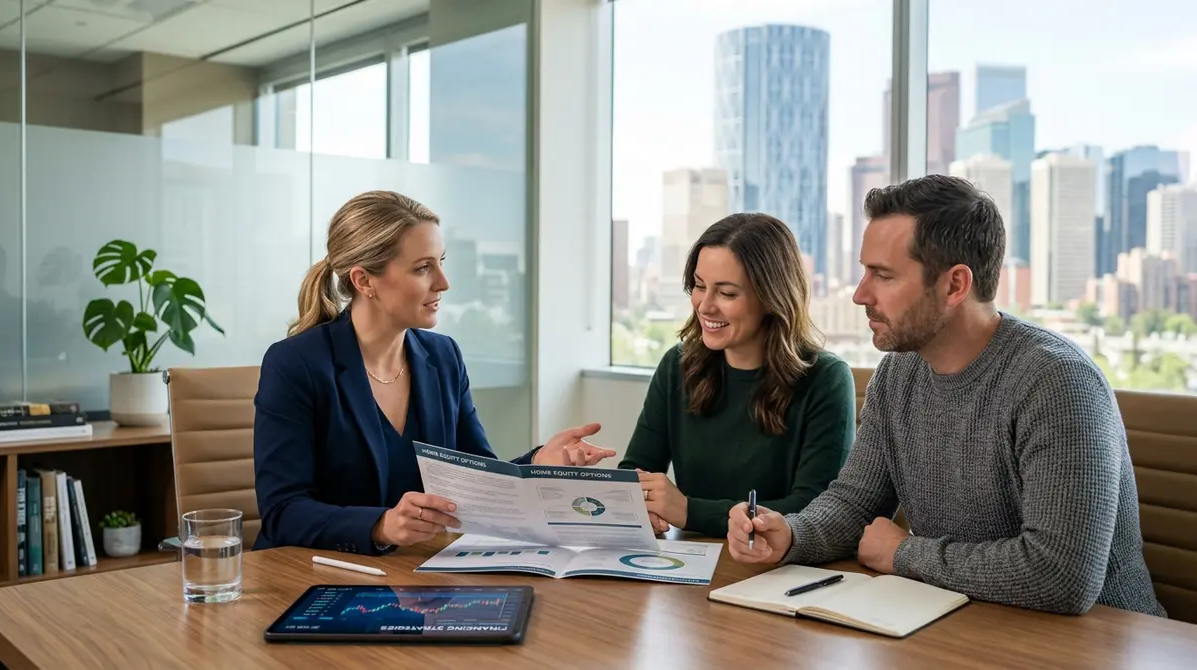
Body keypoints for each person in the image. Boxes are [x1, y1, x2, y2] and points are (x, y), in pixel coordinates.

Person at [727, 175, 1166, 618]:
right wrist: (790, 534)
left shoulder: (1056, 382)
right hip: (965, 622)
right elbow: (855, 502)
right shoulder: (899, 371)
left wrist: (905, 554)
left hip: (1100, 643)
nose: (861, 294)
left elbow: (1060, 576)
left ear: (955, 285)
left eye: (882, 275)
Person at [254, 191, 615, 555]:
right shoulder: (295, 364)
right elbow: (283, 512)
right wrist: (381, 526)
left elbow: (477, 477)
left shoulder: (443, 356)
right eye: (423, 267)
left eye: (440, 262)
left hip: (413, 574)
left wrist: (539, 462)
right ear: (364, 281)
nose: (443, 282)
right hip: (312, 576)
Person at [620, 213, 856, 537]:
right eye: (699, 286)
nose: (704, 305)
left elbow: (816, 508)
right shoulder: (677, 365)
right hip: (689, 562)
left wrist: (688, 511)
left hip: (777, 571)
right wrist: (641, 507)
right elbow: (635, 474)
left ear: (772, 298)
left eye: (727, 293)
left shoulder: (827, 379)